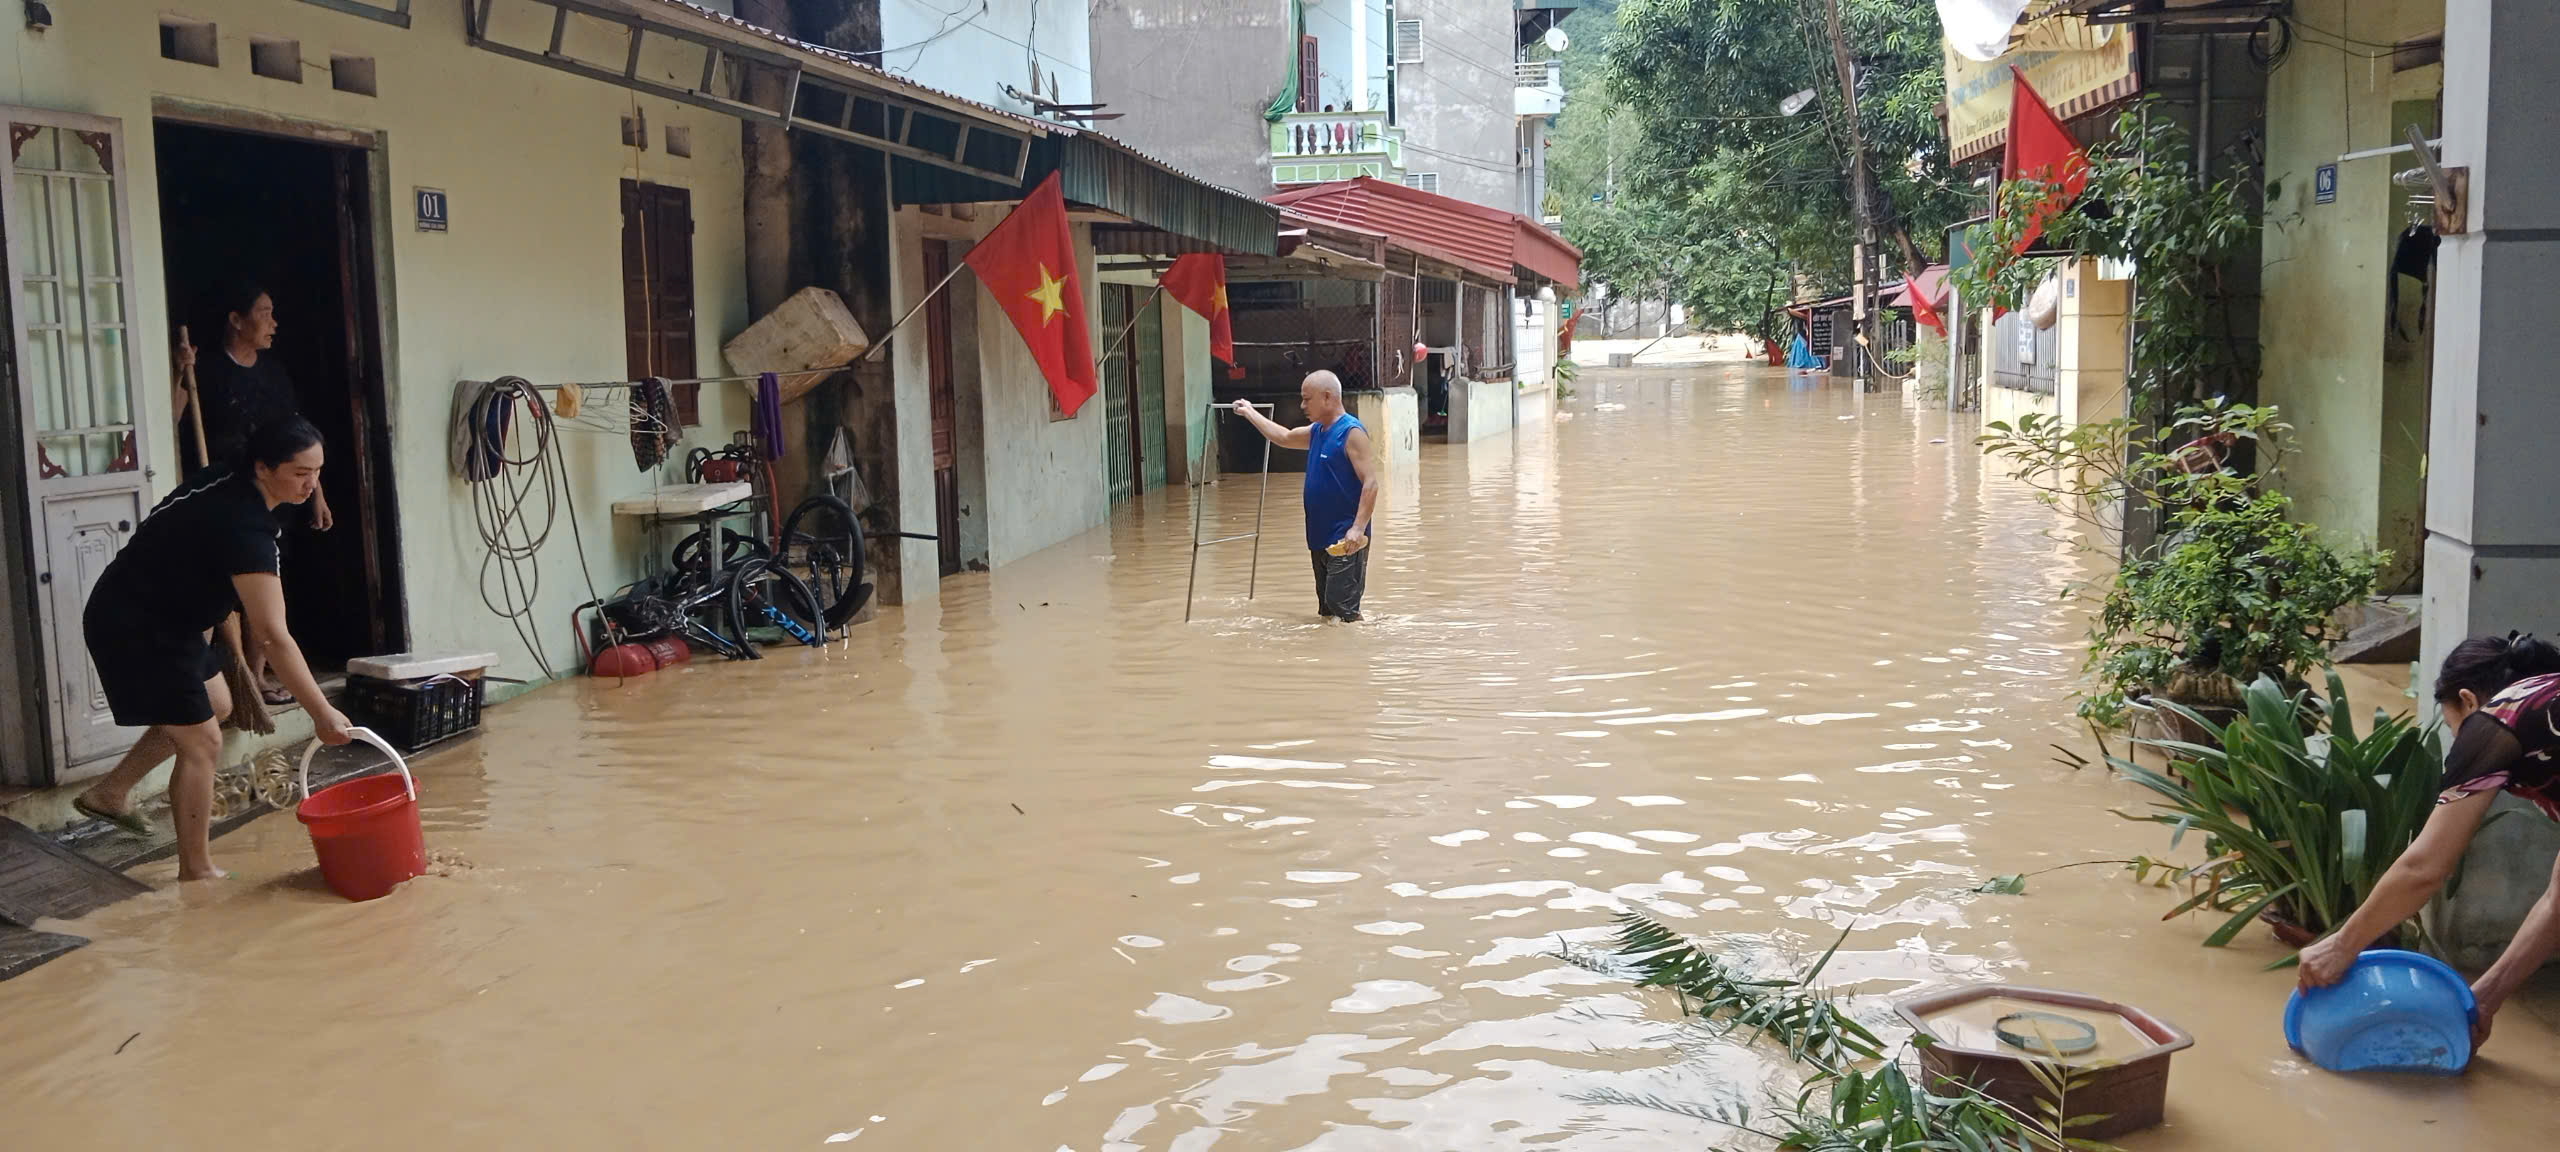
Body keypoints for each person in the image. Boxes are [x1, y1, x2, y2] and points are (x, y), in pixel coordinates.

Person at [72, 418, 352, 881]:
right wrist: (321, 712)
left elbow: (186, 553)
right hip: (137, 624)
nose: (312, 484)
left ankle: (110, 793)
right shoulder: (244, 526)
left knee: (217, 705)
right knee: (202, 741)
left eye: (318, 471)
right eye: (302, 472)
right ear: (264, 467)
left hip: (169, 617)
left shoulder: (231, 480)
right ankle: (197, 872)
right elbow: (272, 635)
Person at [2296, 632, 2560, 1049]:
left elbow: (2425, 868)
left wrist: (2341, 947)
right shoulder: (2546, 706)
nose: (2461, 741)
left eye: (2455, 728)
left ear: (2469, 702)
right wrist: (2484, 1000)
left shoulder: (2496, 721)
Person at [180, 284, 330, 704]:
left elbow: (301, 438)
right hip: (227, 493)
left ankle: (255, 679)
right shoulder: (207, 369)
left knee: (266, 586)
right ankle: (234, 675)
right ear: (236, 319)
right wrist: (180, 373)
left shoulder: (274, 373)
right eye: (265, 312)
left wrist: (315, 491)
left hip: (276, 492)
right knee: (228, 588)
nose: (274, 323)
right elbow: (173, 416)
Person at [1232, 371, 1380, 622]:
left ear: (1327, 397)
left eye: (1306, 399)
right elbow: (1283, 437)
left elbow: (1371, 483)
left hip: (1345, 538)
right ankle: (1327, 658)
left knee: (1343, 609)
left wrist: (1358, 528)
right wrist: (1249, 412)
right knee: (1326, 610)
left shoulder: (1351, 432)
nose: (1302, 405)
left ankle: (1358, 654)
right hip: (1319, 537)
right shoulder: (1317, 431)